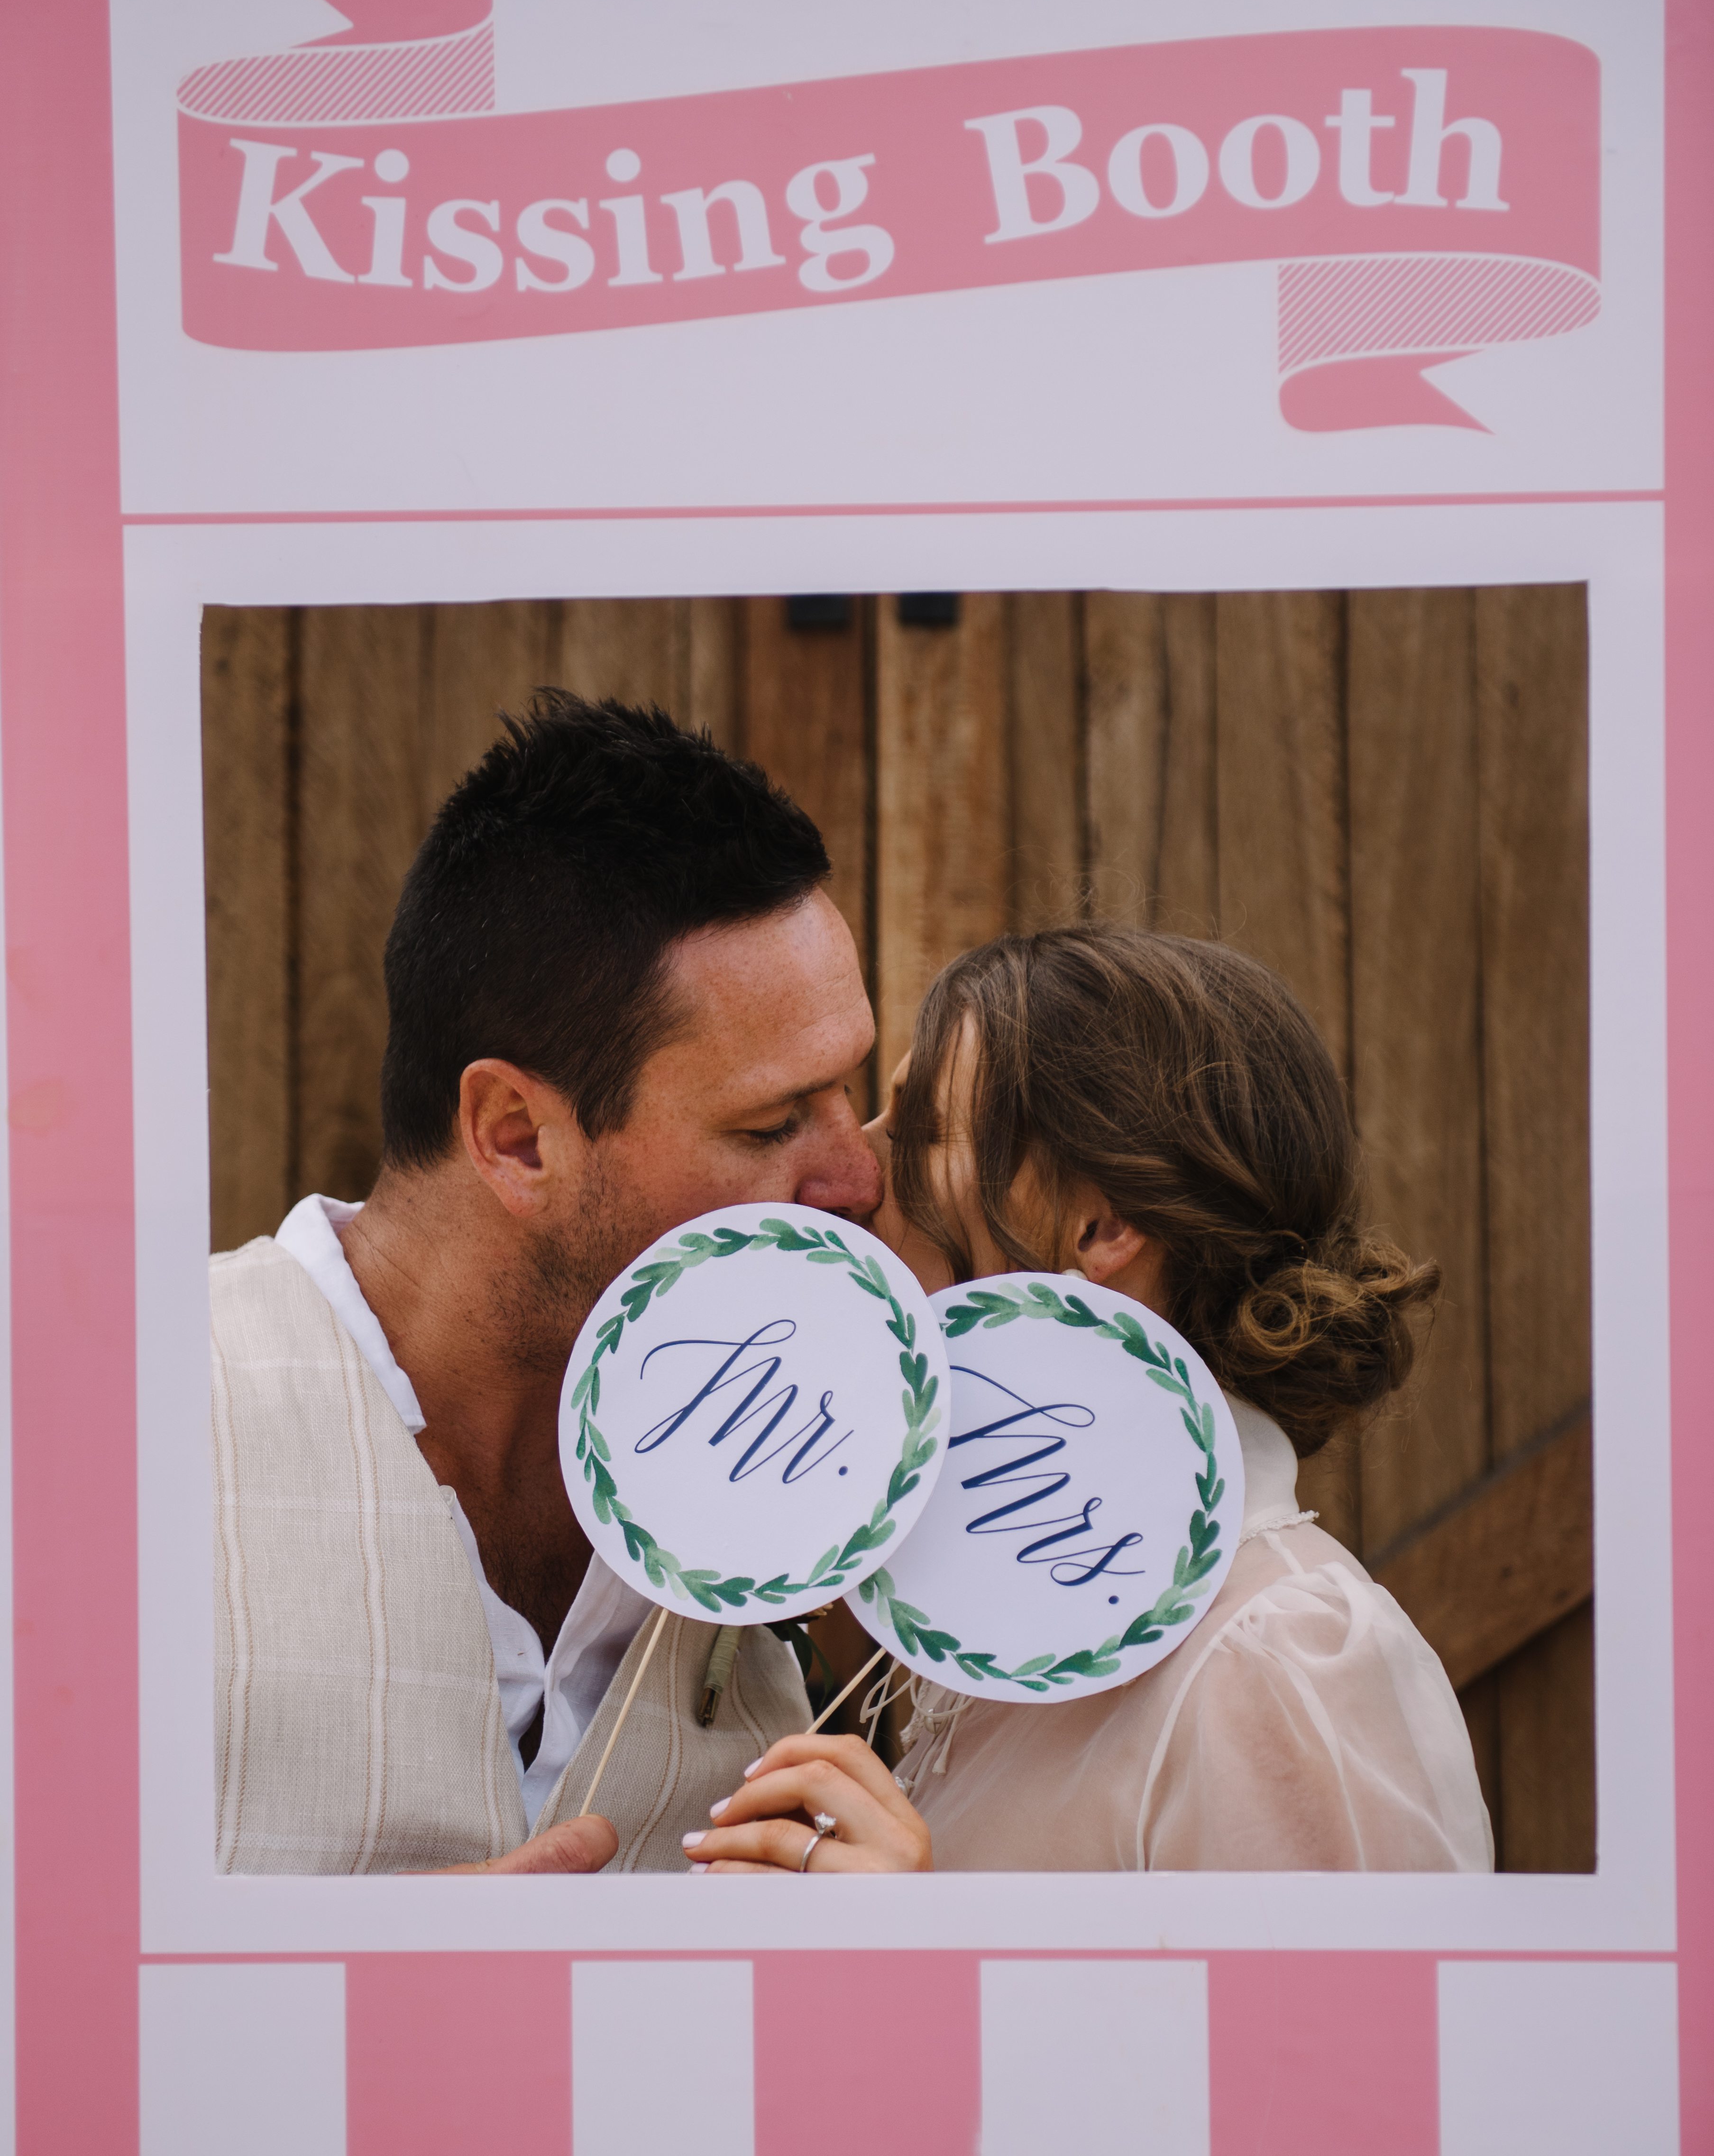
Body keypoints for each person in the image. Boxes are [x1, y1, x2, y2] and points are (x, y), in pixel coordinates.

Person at [212, 693, 882, 1874]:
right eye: (770, 1122)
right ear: (516, 1136)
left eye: (849, 1090)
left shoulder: (796, 1475)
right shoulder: (105, 1426)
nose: (857, 1176)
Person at [684, 924, 1495, 1875]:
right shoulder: (1014, 1631)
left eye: (920, 1131)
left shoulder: (1276, 1657)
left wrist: (912, 1943)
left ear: (1101, 1225)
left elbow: (1364, 1992)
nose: (859, 1174)